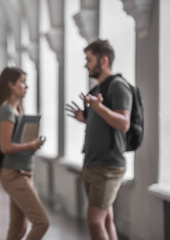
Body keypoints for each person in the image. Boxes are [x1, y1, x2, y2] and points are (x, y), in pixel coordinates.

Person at [65, 39, 132, 240]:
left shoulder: (118, 86)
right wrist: (85, 117)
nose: (86, 64)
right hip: (93, 163)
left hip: (108, 165)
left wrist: (98, 108)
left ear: (103, 61)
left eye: (89, 59)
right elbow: (103, 121)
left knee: (94, 221)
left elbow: (123, 124)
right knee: (105, 219)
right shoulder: (96, 90)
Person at [0, 67, 50, 240]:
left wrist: (31, 144)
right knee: (42, 222)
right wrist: (32, 144)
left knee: (18, 230)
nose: (26, 86)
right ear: (11, 85)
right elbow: (6, 147)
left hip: (22, 173)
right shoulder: (6, 111)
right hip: (15, 175)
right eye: (22, 82)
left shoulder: (15, 110)